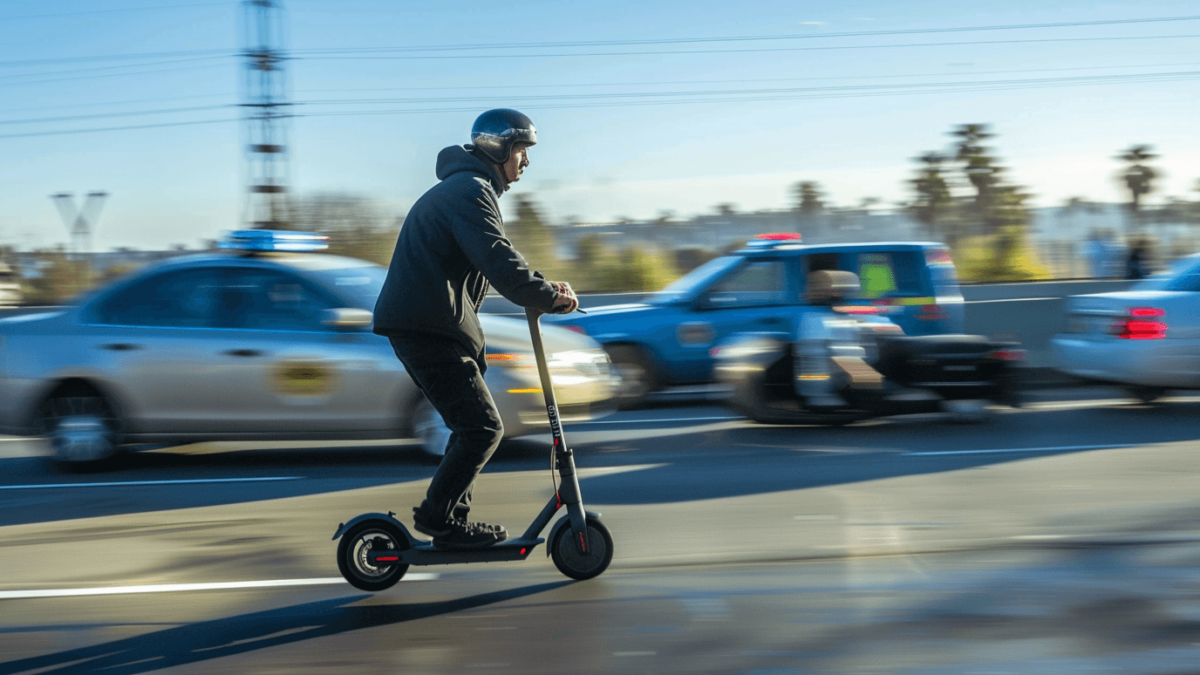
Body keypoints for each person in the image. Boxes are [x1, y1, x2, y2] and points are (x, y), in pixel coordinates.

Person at [373, 109, 579, 549]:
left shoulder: (469, 188)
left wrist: (543, 287)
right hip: (426, 328)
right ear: (499, 147)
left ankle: (448, 519)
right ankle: (440, 519)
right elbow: (499, 261)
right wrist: (545, 296)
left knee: (474, 427)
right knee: (482, 429)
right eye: (521, 150)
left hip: (430, 326)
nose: (526, 161)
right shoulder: (469, 191)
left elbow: (493, 260)